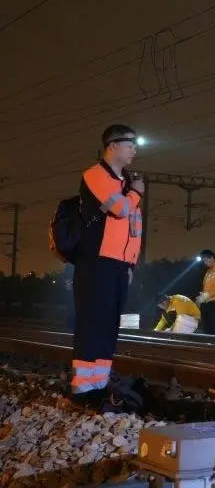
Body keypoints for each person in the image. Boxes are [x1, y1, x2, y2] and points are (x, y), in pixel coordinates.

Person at [70, 124, 144, 408]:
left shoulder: (125, 181)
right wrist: (136, 193)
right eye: (130, 144)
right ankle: (82, 389)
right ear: (113, 146)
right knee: (93, 324)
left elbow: (133, 227)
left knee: (109, 326)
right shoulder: (96, 175)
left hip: (119, 266)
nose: (134, 149)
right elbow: (120, 209)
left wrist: (131, 264)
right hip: (97, 262)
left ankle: (98, 385)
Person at [195, 249, 215, 335]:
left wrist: (206, 295)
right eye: (204, 261)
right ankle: (208, 341)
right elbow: (205, 287)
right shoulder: (208, 272)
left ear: (212, 258)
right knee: (206, 326)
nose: (205, 263)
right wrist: (201, 298)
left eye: (206, 260)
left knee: (214, 325)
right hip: (205, 302)